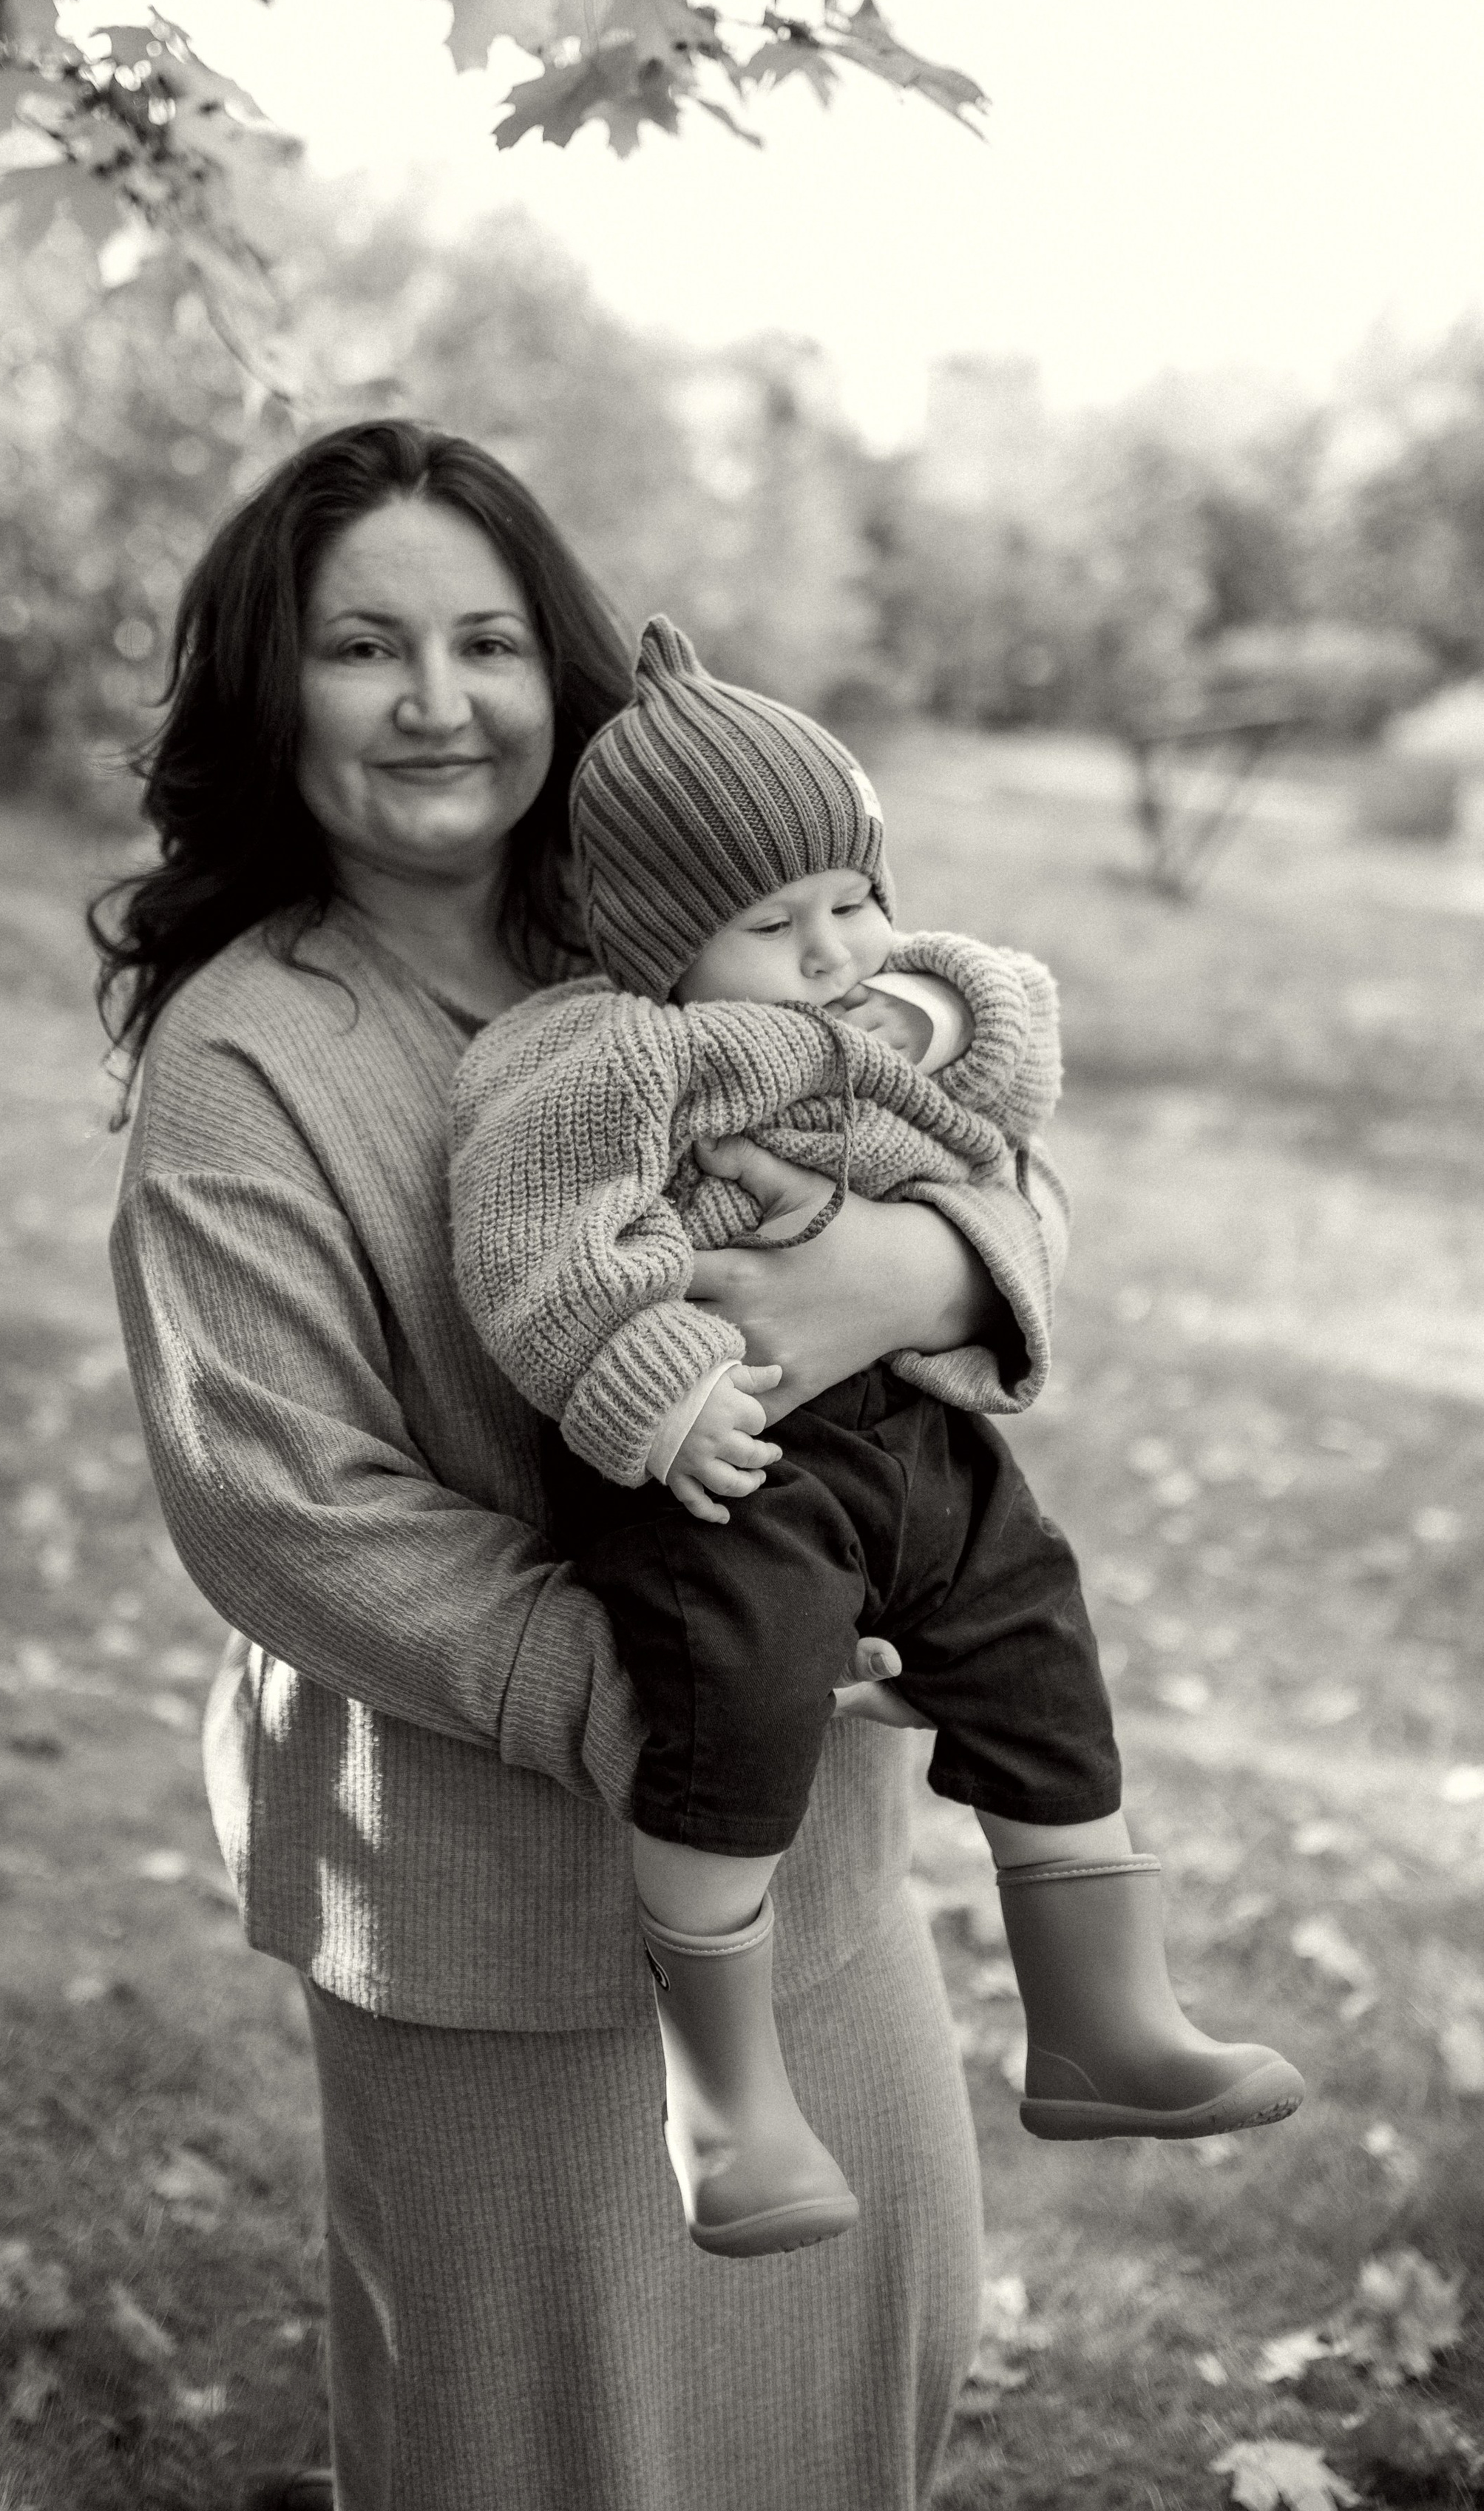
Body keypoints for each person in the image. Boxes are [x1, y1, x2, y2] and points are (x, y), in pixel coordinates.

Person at [97, 419, 1070, 2511]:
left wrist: (896, 1274)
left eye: (485, 642)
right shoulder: (246, 1058)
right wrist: (687, 1703)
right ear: (280, 694)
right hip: (479, 1904)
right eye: (367, 648)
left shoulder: (673, 925)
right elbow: (282, 1508)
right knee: (548, 2449)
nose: (438, 702)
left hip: (813, 1877)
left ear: (563, 674)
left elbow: (996, 1162)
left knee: (855, 2394)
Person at [450, 620, 1304, 2262]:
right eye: (776, 925)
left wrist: (909, 999)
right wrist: (652, 1379)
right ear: (652, 942)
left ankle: (1099, 2022)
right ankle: (723, 2103)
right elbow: (531, 1238)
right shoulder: (604, 1052)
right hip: (725, 1453)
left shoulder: (881, 1020)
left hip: (907, 1429)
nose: (835, 949)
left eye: (854, 900)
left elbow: (1015, 1040)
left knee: (1033, 1633)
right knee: (739, 1702)